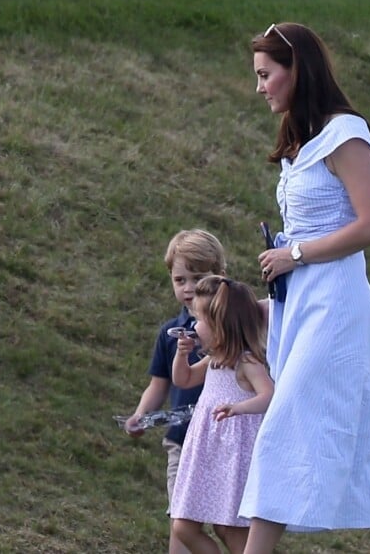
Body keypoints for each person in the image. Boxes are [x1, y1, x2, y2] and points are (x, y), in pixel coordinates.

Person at [238, 22, 370, 554]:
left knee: (281, 429)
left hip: (336, 310)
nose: (260, 86)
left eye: (266, 74)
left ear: (298, 70)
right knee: (366, 446)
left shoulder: (346, 134)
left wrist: (293, 253)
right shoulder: (302, 143)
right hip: (303, 308)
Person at [124, 229, 227, 554]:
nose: (189, 288)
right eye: (180, 279)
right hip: (182, 441)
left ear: (220, 277)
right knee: (181, 523)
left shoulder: (234, 327)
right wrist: (141, 416)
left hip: (226, 440)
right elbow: (159, 384)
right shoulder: (170, 333)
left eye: (198, 278)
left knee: (229, 523)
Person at [171, 276, 274, 554]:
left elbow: (269, 395)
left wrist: (239, 408)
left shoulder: (245, 361)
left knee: (230, 530)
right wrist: (182, 355)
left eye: (200, 320)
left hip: (233, 455)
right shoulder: (215, 358)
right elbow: (184, 379)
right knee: (183, 526)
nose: (195, 326)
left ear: (221, 326)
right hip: (207, 451)